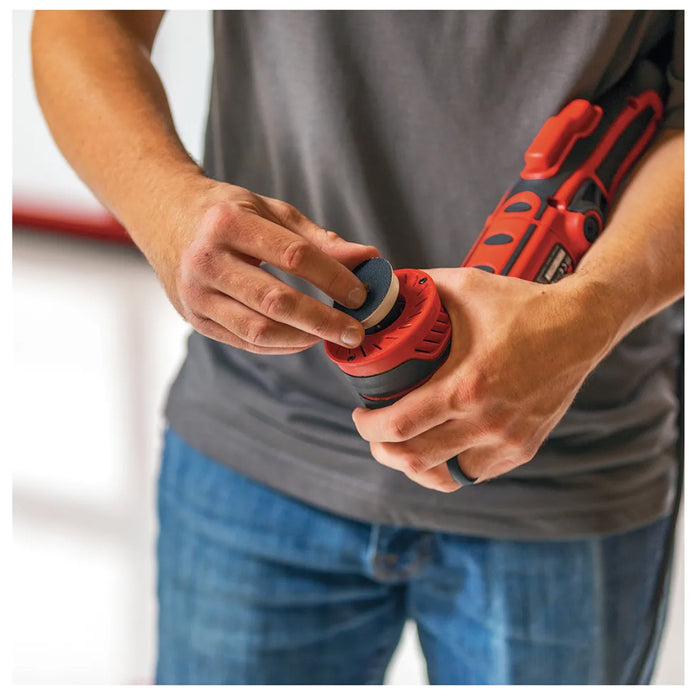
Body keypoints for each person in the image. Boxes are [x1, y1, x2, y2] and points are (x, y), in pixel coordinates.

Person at [32, 10, 684, 685]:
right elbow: (82, 20)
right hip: (256, 437)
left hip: (568, 463)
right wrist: (165, 206)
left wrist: (591, 312)